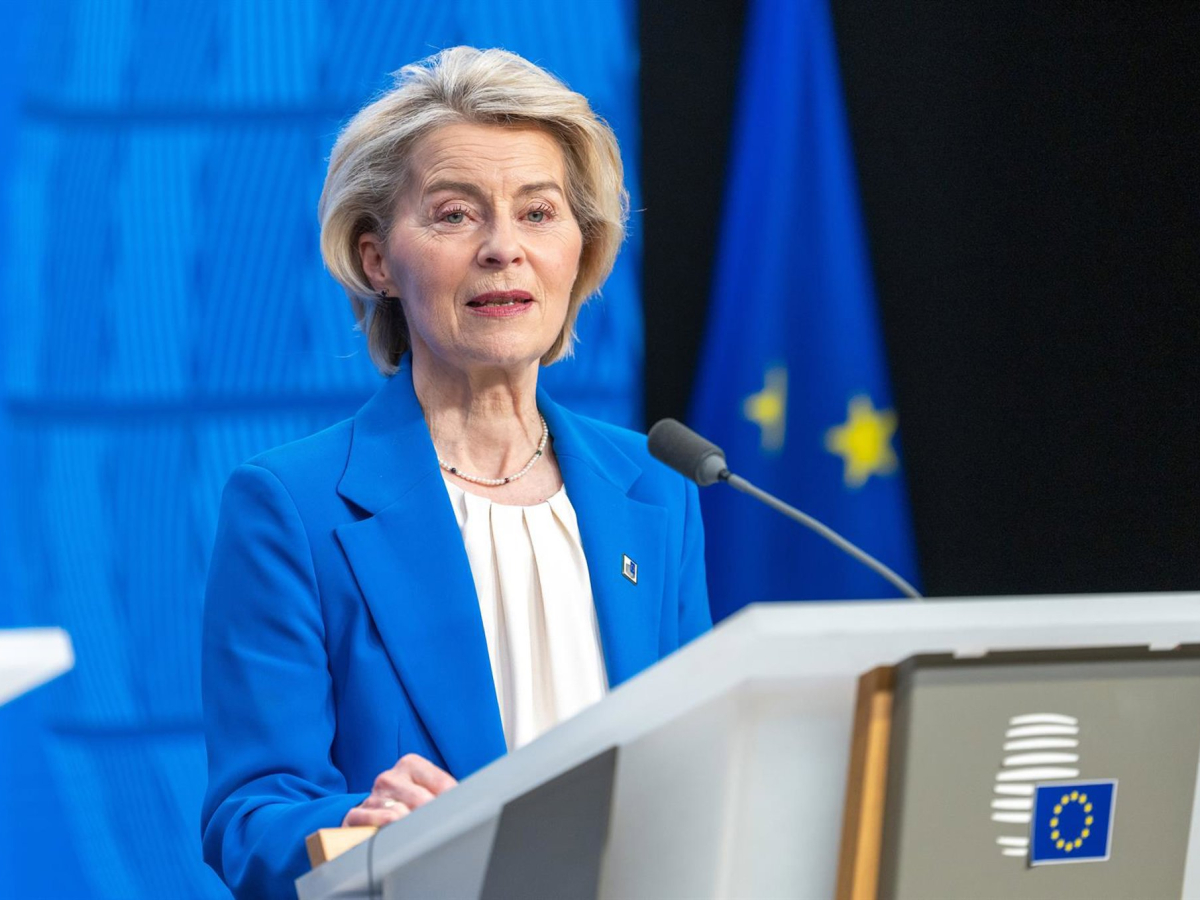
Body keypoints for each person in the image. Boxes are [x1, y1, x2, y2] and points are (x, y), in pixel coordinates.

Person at [200, 46, 711, 900]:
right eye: (454, 215)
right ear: (376, 260)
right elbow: (249, 817)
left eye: (538, 212)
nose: (504, 249)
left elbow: (696, 763)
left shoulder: (653, 486)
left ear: (581, 248)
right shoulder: (291, 505)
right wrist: (363, 828)